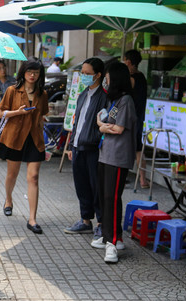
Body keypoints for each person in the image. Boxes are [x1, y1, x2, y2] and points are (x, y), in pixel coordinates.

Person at [0, 58, 49, 234]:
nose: (32, 75)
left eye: (36, 72)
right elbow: (1, 112)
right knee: (12, 174)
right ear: (23, 73)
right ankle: (8, 200)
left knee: (33, 177)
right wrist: (16, 112)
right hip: (15, 137)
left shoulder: (42, 94)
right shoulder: (12, 90)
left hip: (34, 139)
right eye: (29, 72)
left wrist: (44, 137)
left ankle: (32, 219)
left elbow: (43, 115)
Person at [91, 62, 136, 264]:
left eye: (107, 78)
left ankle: (113, 242)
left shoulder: (126, 100)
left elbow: (117, 128)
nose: (105, 82)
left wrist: (101, 127)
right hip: (106, 154)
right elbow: (104, 120)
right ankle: (111, 236)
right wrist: (102, 124)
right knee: (105, 196)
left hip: (117, 157)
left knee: (111, 197)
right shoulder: (115, 100)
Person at [63, 58, 107, 239]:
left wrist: (95, 140)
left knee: (96, 186)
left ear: (98, 75)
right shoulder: (82, 95)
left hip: (94, 149)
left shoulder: (104, 97)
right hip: (78, 146)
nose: (84, 76)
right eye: (82, 73)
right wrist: (72, 144)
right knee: (81, 186)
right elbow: (76, 123)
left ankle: (101, 224)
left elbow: (104, 124)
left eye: (87, 74)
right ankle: (85, 220)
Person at [124, 49, 148, 188]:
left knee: (127, 148)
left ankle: (123, 176)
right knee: (139, 149)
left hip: (129, 119)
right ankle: (143, 180)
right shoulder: (142, 77)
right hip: (139, 118)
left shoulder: (130, 79)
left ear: (128, 62)